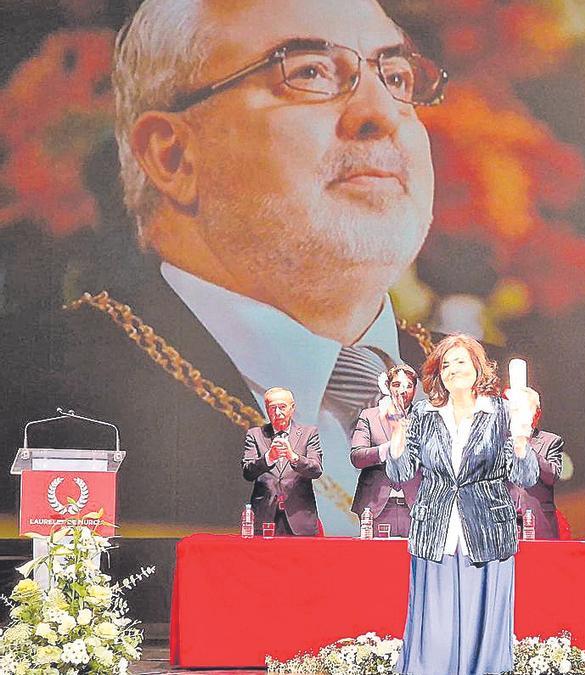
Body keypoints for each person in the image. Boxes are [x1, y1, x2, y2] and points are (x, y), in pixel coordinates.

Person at [0, 0, 446, 534]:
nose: (381, 113)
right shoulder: (35, 400)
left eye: (396, 77)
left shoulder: (511, 398)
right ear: (173, 156)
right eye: (309, 72)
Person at [384, 334, 539, 674]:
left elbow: (526, 476)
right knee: (434, 635)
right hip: (435, 532)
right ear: (438, 374)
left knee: (483, 634)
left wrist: (522, 434)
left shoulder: (501, 411)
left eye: (461, 362)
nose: (454, 370)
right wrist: (396, 430)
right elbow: (400, 471)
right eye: (446, 364)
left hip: (487, 534)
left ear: (477, 367)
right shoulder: (424, 413)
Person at [349, 364, 422, 537]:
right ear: (388, 387)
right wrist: (387, 449)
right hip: (376, 506)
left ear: (415, 390)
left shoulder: (423, 417)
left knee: (414, 563)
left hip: (415, 505)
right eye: (396, 385)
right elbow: (357, 457)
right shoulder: (369, 415)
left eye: (408, 386)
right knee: (375, 562)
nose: (402, 391)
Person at [241, 387, 323, 536]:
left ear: (292, 408)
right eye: (273, 408)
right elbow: (248, 472)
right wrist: (268, 458)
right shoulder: (255, 435)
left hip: (299, 517)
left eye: (282, 407)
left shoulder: (308, 433)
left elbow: (316, 470)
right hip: (264, 516)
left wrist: (293, 457)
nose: (277, 413)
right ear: (266, 409)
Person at [508, 404, 565, 539]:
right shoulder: (502, 441)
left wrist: (527, 448)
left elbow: (552, 475)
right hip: (507, 522)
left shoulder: (551, 441)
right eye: (516, 410)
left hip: (538, 520)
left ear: (537, 414)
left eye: (525, 410)